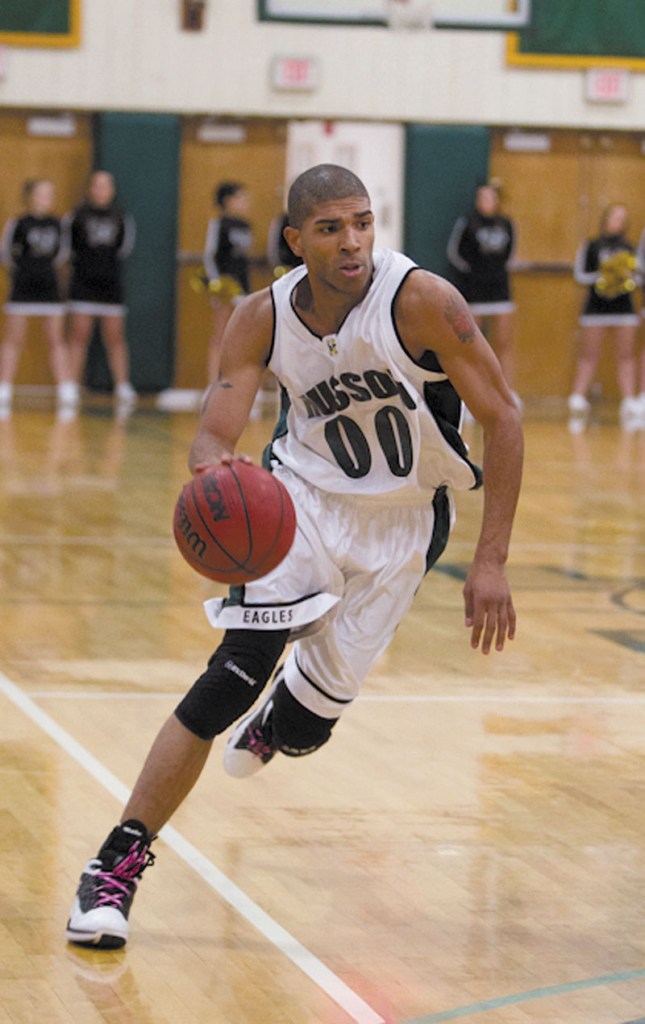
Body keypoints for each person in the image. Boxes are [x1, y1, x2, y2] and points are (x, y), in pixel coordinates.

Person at [65, 164, 524, 950]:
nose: (352, 242)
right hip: (298, 506)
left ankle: (287, 720)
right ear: (294, 240)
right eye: (330, 228)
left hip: (405, 523)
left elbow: (504, 418)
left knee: (309, 727)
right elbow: (214, 431)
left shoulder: (422, 301)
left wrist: (490, 562)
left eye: (362, 223)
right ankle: (115, 866)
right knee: (230, 675)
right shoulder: (259, 317)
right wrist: (216, 471)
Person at [0, 179, 77, 415]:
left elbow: (62, 254)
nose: (46, 198)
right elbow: (6, 255)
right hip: (23, 288)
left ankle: (66, 388)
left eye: (50, 194)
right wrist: (26, 271)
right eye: (42, 193)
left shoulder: (58, 224)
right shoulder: (18, 223)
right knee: (14, 338)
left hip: (49, 288)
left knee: (55, 339)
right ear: (31, 196)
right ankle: (4, 386)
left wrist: (44, 270)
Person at [64, 170, 137, 411]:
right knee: (79, 335)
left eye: (106, 186)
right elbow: (68, 249)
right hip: (83, 285)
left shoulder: (121, 217)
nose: (101, 190)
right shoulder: (76, 216)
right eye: (97, 185)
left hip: (110, 286)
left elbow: (123, 250)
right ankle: (70, 384)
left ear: (112, 190)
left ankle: (123, 385)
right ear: (90, 189)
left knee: (115, 338)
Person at [447, 183, 520, 410]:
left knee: (503, 343)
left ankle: (507, 392)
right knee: (472, 345)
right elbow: (455, 254)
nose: (485, 201)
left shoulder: (507, 224)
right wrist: (473, 273)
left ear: (497, 200)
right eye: (481, 197)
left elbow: (511, 255)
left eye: (489, 197)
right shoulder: (467, 223)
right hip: (475, 291)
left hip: (500, 290)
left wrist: (496, 272)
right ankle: (471, 396)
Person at [568, 203, 641, 428]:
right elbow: (580, 274)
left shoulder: (630, 248)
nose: (617, 222)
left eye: (622, 218)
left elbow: (638, 277)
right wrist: (604, 277)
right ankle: (577, 398)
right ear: (605, 219)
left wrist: (621, 280)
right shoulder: (591, 246)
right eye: (614, 217)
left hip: (624, 309)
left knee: (626, 355)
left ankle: (629, 400)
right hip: (596, 309)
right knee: (589, 353)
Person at [203, 181, 253, 384]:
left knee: (242, 337)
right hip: (224, 288)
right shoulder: (219, 224)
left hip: (243, 287)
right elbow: (210, 255)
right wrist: (217, 285)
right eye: (242, 198)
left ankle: (238, 382)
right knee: (220, 335)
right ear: (229, 200)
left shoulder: (246, 226)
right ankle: (213, 383)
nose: (247, 203)